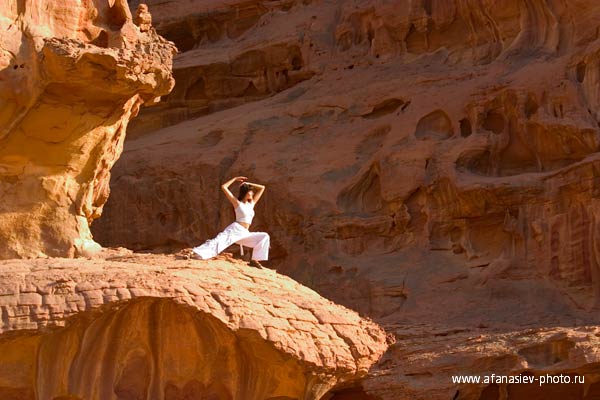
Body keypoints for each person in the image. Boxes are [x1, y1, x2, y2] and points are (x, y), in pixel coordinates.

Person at [192, 176, 270, 267]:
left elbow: (262, 188)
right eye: (250, 191)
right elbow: (224, 187)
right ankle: (197, 253)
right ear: (246, 192)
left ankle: (254, 260)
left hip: (245, 233)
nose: (252, 193)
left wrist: (249, 184)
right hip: (235, 230)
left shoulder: (251, 204)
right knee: (218, 241)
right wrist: (234, 179)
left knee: (264, 236)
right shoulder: (237, 203)